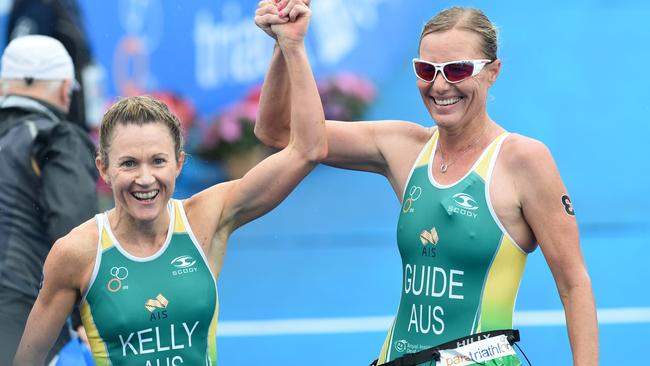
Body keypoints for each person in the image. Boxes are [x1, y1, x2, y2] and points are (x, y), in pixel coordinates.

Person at [254, 3, 598, 365]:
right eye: (426, 70)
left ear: (493, 72)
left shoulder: (522, 161)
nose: (439, 85)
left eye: (457, 70)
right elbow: (278, 132)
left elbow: (574, 285)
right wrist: (288, 45)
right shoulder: (403, 148)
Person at [13, 2, 325, 365]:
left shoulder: (205, 219)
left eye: (158, 161)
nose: (145, 179)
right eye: (128, 163)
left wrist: (290, 46)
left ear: (179, 164)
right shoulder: (76, 253)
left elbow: (307, 149)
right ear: (103, 169)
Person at [0, 35, 98, 365]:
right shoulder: (58, 138)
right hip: (23, 317)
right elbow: (74, 233)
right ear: (64, 88)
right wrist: (87, 316)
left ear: (3, 86)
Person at [7, 0, 95, 131]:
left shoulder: (67, 5)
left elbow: (83, 57)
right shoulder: (35, 6)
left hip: (73, 123)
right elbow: (24, 70)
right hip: (48, 128)